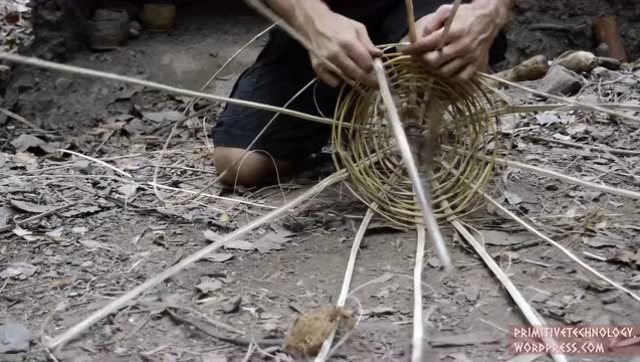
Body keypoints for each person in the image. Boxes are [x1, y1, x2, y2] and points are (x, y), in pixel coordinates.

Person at [212, 0, 512, 187]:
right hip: (325, 13)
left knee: (431, 44)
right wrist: (314, 21)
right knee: (240, 164)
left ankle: (407, 98)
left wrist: (490, 9)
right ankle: (351, 104)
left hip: (425, 7)